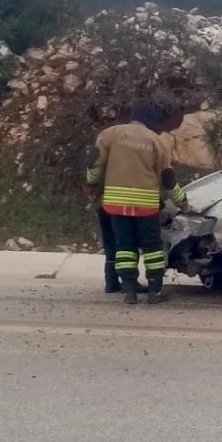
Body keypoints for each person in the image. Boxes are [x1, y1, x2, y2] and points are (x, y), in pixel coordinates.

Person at [86, 99, 190, 304]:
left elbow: (93, 162)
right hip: (146, 205)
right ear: (151, 121)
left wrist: (91, 185)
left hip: (116, 203)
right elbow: (168, 179)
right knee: (152, 247)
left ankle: (129, 291)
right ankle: (154, 292)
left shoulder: (109, 135)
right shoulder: (158, 142)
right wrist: (182, 202)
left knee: (125, 246)